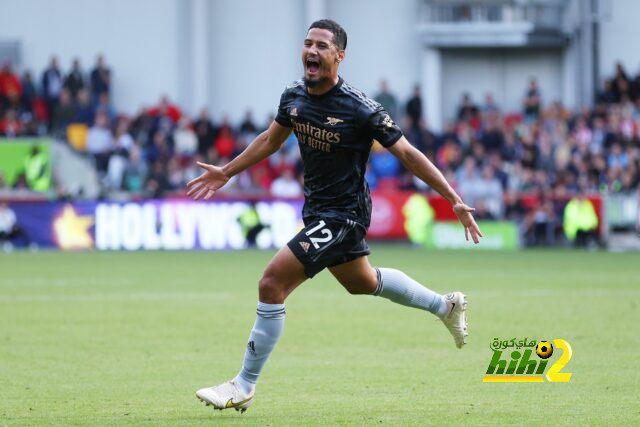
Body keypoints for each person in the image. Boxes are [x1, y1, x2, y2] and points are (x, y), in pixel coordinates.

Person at [186, 19, 482, 413]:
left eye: (322, 46)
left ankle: (243, 384)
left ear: (339, 56)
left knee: (271, 283)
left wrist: (452, 198)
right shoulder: (294, 96)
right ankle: (445, 306)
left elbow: (408, 153)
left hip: (345, 216)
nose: (311, 50)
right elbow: (270, 140)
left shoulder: (362, 109)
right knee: (363, 282)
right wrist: (227, 171)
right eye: (308, 43)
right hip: (319, 212)